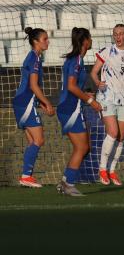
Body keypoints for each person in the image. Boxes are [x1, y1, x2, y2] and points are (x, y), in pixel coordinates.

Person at [90, 24, 124, 186]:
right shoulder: (107, 51)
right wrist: (98, 82)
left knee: (121, 137)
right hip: (107, 97)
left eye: (121, 34)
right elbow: (93, 72)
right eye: (115, 34)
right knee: (113, 132)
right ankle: (102, 169)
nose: (118, 37)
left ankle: (112, 171)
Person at [56, 28, 103, 196]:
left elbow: (73, 87)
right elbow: (71, 86)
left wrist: (86, 95)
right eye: (89, 38)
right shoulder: (76, 60)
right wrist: (91, 100)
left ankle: (65, 182)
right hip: (70, 108)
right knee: (82, 147)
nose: (91, 41)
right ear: (85, 41)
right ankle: (68, 184)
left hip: (70, 107)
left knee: (84, 147)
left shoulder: (75, 59)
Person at [13, 27, 55, 188]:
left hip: (23, 102)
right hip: (25, 102)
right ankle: (25, 176)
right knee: (39, 139)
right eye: (44, 39)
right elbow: (33, 85)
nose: (47, 41)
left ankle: (27, 176)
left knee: (32, 141)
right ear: (36, 41)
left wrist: (40, 102)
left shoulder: (35, 57)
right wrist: (47, 102)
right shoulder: (34, 59)